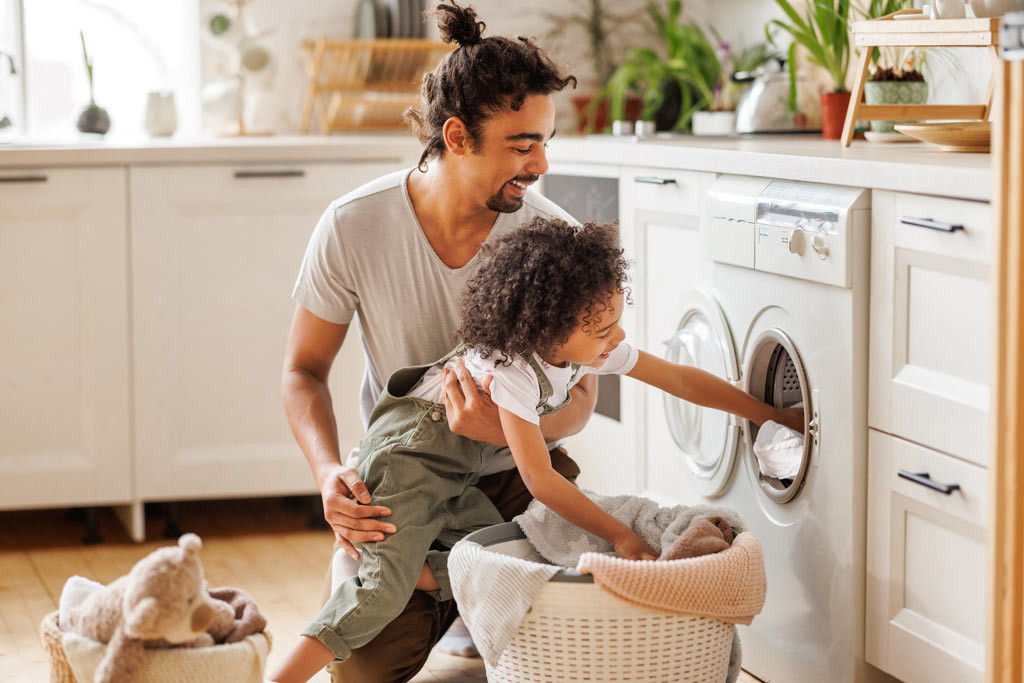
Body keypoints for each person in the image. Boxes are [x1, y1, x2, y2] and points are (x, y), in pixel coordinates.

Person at [269, 218, 805, 683]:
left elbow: (681, 380)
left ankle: (397, 565)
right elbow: (542, 480)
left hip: (461, 472)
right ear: (547, 329)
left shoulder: (587, 342)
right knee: (380, 598)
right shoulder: (514, 371)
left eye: (617, 319)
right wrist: (618, 534)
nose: (616, 338)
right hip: (409, 459)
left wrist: (770, 415)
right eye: (601, 329)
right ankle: (284, 669)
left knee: (492, 549)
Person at [280, 2, 585, 681]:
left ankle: (449, 589)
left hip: (512, 476)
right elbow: (303, 371)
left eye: (546, 140)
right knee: (359, 669)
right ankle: (431, 584)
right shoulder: (353, 226)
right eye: (522, 143)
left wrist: (505, 431)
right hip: (408, 476)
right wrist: (329, 473)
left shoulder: (550, 239)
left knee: (567, 642)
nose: (540, 165)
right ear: (456, 135)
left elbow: (585, 399)